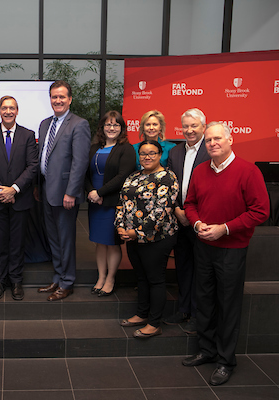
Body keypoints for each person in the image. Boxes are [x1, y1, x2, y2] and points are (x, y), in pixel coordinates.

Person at [182, 122, 269, 386]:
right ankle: (207, 350)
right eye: (208, 140)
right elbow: (190, 203)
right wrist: (197, 223)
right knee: (204, 301)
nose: (212, 143)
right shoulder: (200, 171)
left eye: (217, 138)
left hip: (232, 250)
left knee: (228, 305)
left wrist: (225, 229)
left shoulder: (248, 171)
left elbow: (260, 211)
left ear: (230, 140)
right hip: (203, 247)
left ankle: (225, 361)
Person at [116, 140, 179, 339]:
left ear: (160, 155)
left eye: (152, 153)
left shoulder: (167, 177)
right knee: (141, 277)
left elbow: (161, 211)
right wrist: (120, 226)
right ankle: (141, 314)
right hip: (132, 237)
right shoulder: (133, 176)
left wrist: (137, 232)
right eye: (143, 153)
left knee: (155, 279)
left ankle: (154, 323)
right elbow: (122, 203)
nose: (147, 157)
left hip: (158, 238)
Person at [37, 80, 91, 301]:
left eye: (61, 97)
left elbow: (80, 162)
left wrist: (71, 192)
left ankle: (67, 282)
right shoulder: (44, 124)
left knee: (66, 239)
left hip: (65, 193)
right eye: (54, 97)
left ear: (70, 99)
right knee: (53, 238)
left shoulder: (79, 124)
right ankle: (58, 277)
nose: (57, 100)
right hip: (46, 190)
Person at [0, 96, 39, 301]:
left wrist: (13, 190)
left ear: (17, 111)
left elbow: (32, 166)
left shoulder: (28, 135)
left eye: (12, 108)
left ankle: (15, 281)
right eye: (4, 108)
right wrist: (2, 192)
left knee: (17, 243)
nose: (8, 111)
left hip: (20, 199)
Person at [164, 108, 210, 333]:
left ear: (204, 127)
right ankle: (183, 309)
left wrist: (193, 216)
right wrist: (177, 210)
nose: (189, 130)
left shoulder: (211, 150)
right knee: (183, 266)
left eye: (194, 126)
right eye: (186, 126)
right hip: (180, 219)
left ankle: (197, 314)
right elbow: (170, 184)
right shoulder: (175, 152)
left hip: (203, 220)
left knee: (202, 269)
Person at [85, 111, 136, 296]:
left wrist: (100, 193)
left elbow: (123, 176)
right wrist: (92, 192)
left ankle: (110, 279)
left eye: (116, 125)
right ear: (102, 127)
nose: (111, 128)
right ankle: (101, 277)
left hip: (113, 202)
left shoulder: (126, 149)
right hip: (94, 202)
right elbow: (85, 173)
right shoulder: (94, 148)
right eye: (108, 124)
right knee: (99, 242)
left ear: (121, 128)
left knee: (112, 242)